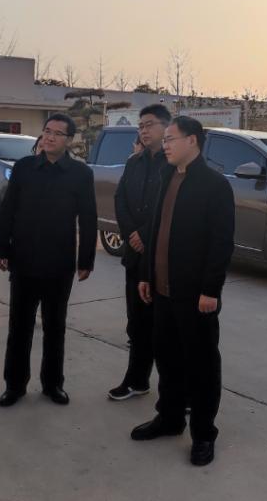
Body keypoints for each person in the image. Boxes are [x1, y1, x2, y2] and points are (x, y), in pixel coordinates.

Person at [132, 116, 234, 467]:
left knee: (202, 366)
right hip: (162, 291)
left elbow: (221, 243)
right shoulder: (166, 177)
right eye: (165, 140)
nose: (165, 145)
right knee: (167, 359)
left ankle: (203, 434)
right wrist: (146, 275)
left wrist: (210, 289)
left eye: (171, 139)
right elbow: (155, 231)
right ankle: (170, 418)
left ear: (192, 141)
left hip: (195, 296)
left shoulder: (214, 185)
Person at [0, 113, 97, 407]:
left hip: (59, 263)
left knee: (55, 327)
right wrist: (1, 248)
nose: (49, 137)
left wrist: (86, 260)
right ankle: (14, 385)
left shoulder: (80, 173)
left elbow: (88, 218)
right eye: (47, 131)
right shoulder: (24, 167)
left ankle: (53, 384)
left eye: (57, 133)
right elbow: (8, 209)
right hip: (24, 259)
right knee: (19, 327)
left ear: (69, 140)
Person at [109, 105, 170, 401]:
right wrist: (131, 233)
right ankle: (137, 380)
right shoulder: (134, 162)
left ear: (166, 127)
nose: (144, 130)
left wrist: (144, 234)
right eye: (141, 126)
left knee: (165, 328)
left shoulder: (173, 165)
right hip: (135, 256)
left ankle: (177, 392)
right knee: (137, 323)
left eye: (150, 124)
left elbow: (169, 208)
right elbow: (120, 199)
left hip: (162, 257)